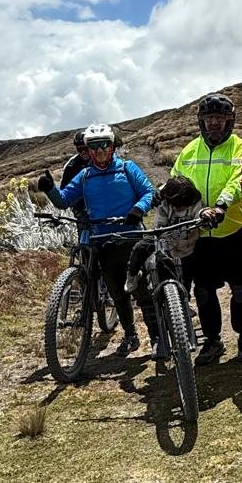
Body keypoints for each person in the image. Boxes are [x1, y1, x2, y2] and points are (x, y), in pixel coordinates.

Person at [38, 124, 158, 357]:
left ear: (112, 146)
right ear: (88, 150)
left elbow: (148, 192)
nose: (100, 151)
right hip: (102, 241)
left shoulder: (127, 168)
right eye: (94, 147)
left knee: (142, 291)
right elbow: (64, 200)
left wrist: (138, 209)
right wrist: (50, 190)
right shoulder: (84, 176)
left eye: (105, 145)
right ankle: (131, 335)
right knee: (117, 293)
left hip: (131, 237)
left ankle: (156, 338)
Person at [171, 93, 242, 366]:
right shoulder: (189, 151)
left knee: (240, 289)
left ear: (229, 121)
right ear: (201, 122)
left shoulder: (241, 147)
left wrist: (221, 205)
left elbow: (238, 180)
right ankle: (213, 341)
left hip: (232, 229)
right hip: (199, 233)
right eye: (209, 119)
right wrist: (166, 198)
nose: (214, 124)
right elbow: (176, 182)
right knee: (204, 291)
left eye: (220, 119)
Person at [124, 174, 204, 293]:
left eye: (183, 203)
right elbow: (160, 225)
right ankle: (132, 275)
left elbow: (201, 215)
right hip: (165, 240)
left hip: (188, 246)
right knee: (140, 248)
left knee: (186, 282)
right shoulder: (164, 203)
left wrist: (207, 217)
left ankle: (183, 303)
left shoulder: (195, 202)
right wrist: (162, 233)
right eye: (177, 203)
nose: (179, 208)